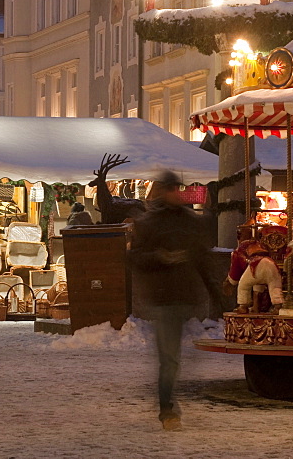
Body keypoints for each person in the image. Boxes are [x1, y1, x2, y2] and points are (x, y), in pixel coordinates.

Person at [128, 171, 221, 431]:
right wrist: (160, 257)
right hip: (163, 296)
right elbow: (135, 258)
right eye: (169, 188)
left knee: (175, 358)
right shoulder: (149, 222)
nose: (174, 193)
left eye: (175, 188)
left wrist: (214, 293)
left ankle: (168, 403)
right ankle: (166, 409)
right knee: (169, 358)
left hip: (182, 295)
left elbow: (202, 258)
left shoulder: (190, 222)